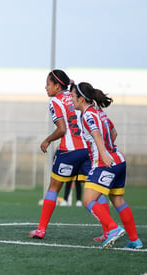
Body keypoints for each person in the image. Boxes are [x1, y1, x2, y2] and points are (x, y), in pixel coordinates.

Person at [71, 81, 143, 249]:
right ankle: (135, 240)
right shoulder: (98, 111)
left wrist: (103, 153)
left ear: (81, 99)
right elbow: (114, 132)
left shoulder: (87, 115)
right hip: (119, 160)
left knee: (88, 200)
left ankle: (113, 229)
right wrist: (108, 149)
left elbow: (96, 134)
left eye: (74, 97)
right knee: (118, 200)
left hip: (105, 163)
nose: (72, 100)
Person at [29, 69, 90, 239]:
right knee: (94, 190)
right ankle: (110, 229)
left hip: (69, 151)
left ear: (57, 86)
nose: (46, 87)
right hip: (88, 150)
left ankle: (41, 229)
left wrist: (47, 140)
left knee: (53, 188)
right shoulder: (76, 97)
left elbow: (62, 129)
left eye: (48, 84)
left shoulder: (55, 101)